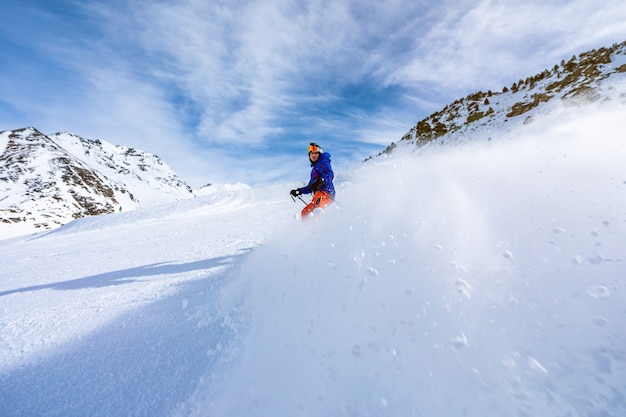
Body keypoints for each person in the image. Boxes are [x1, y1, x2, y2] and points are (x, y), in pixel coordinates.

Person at [290, 142, 335, 219]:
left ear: (319, 154)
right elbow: (311, 187)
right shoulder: (314, 170)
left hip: (326, 193)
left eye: (316, 153)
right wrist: (299, 191)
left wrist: (322, 180)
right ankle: (308, 230)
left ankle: (319, 228)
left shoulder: (323, 162)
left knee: (316, 210)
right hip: (318, 195)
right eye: (311, 154)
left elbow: (329, 174)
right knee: (305, 212)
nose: (313, 155)